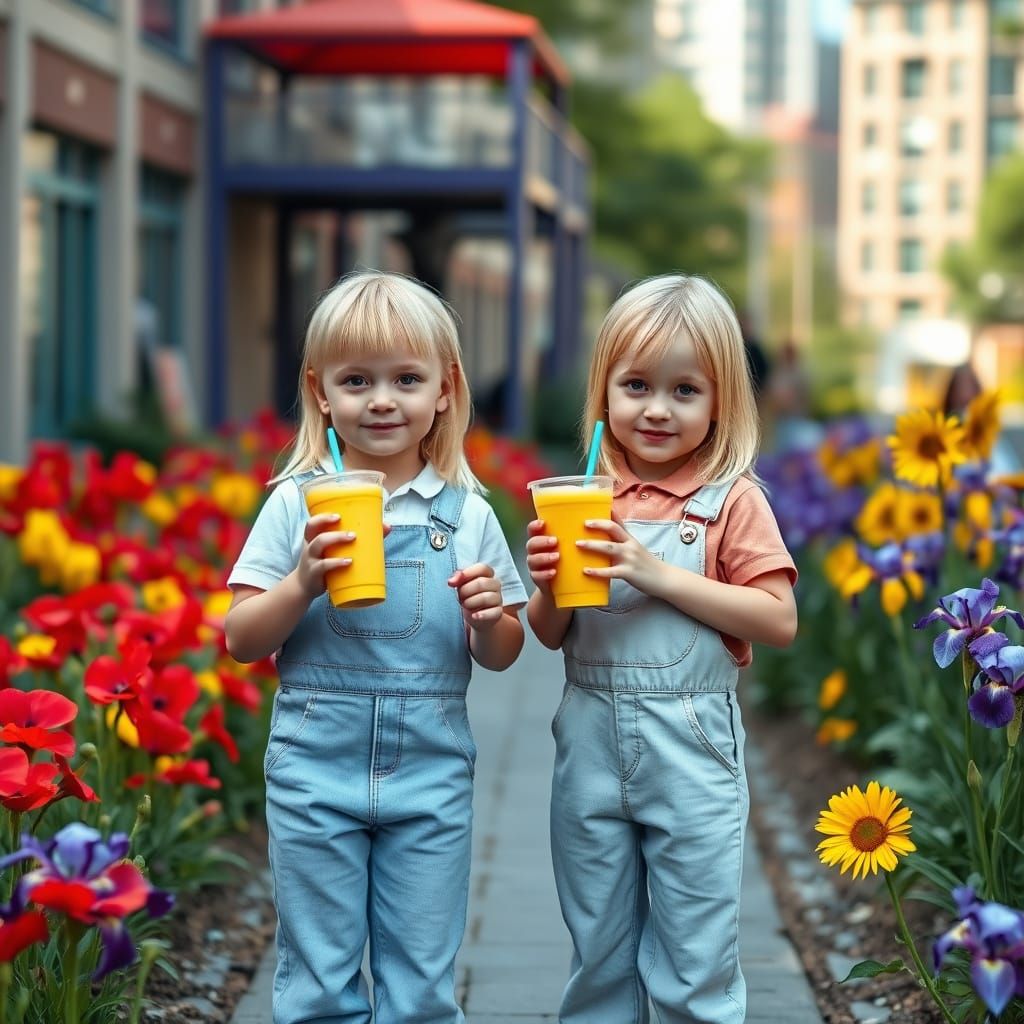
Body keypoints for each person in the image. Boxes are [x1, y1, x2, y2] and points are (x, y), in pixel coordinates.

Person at [224, 271, 526, 1024]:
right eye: (357, 380)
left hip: (431, 772)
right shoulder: (298, 503)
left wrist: (490, 615)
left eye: (406, 379)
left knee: (421, 982)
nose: (382, 399)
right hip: (313, 767)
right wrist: (301, 582)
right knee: (319, 979)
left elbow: (503, 653)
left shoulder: (467, 514)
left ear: (445, 390)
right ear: (320, 391)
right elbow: (241, 639)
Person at [524, 274, 798, 1023]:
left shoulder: (731, 501)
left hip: (692, 743)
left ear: (721, 403)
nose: (656, 409)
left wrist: (657, 573)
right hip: (587, 740)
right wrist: (547, 586)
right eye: (636, 384)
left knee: (694, 957)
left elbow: (777, 618)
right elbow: (547, 635)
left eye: (685, 391)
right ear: (603, 390)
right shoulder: (587, 495)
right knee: (599, 953)